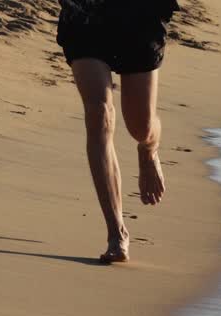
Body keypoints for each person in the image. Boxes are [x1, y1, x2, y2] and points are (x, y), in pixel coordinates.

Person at [58, 0, 180, 263]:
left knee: (141, 127)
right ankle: (117, 233)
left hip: (137, 13)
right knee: (99, 113)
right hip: (85, 13)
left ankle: (149, 148)